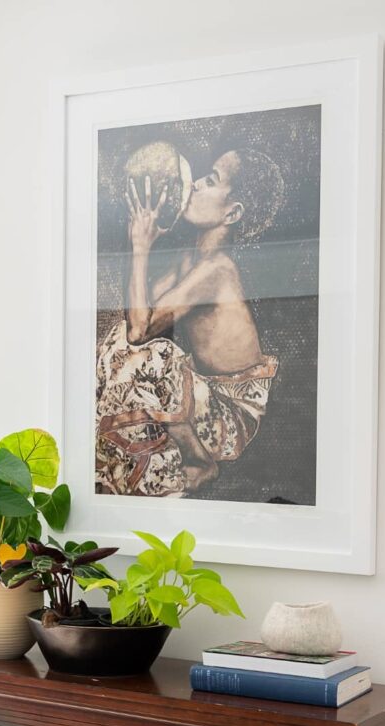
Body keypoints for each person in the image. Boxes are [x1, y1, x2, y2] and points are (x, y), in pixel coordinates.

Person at [96, 142, 284, 497]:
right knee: (118, 339)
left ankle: (200, 462)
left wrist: (139, 247)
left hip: (231, 414)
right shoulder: (188, 258)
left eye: (210, 181)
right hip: (200, 393)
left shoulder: (218, 270)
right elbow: (136, 322)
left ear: (232, 214)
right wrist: (142, 239)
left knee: (160, 355)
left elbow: (144, 335)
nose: (194, 184)